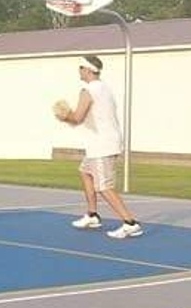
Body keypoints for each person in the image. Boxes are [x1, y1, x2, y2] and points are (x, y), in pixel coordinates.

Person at [55, 55, 143, 238]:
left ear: (87, 70)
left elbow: (78, 118)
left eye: (80, 67)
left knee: (104, 186)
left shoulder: (88, 90)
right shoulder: (104, 88)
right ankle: (92, 215)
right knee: (85, 172)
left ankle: (130, 223)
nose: (79, 71)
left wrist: (63, 116)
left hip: (103, 144)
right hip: (100, 143)